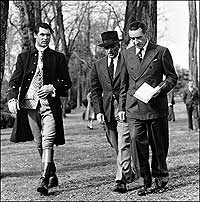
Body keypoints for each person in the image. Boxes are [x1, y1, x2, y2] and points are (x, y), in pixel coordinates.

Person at [7, 22, 72, 195]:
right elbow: (14, 80)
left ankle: (43, 179)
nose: (45, 38)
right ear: (35, 35)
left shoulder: (58, 57)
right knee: (38, 142)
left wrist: (52, 87)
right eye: (42, 35)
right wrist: (12, 97)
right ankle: (51, 172)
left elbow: (67, 82)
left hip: (49, 105)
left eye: (48, 35)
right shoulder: (24, 57)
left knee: (48, 140)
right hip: (30, 106)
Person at [119, 21, 178, 196]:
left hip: (155, 107)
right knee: (137, 143)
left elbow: (171, 77)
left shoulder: (160, 52)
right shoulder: (126, 54)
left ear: (147, 34)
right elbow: (123, 83)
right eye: (132, 38)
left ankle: (161, 176)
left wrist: (160, 89)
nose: (136, 41)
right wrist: (121, 107)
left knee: (158, 145)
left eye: (139, 37)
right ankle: (145, 180)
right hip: (133, 107)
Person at [90, 31, 139, 193]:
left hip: (125, 108)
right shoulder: (98, 65)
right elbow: (95, 90)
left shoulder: (127, 61)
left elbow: (132, 84)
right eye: (107, 47)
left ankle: (120, 179)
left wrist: (125, 107)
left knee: (124, 141)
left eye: (112, 46)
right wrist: (98, 111)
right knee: (115, 144)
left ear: (118, 45)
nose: (110, 50)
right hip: (107, 110)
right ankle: (128, 171)